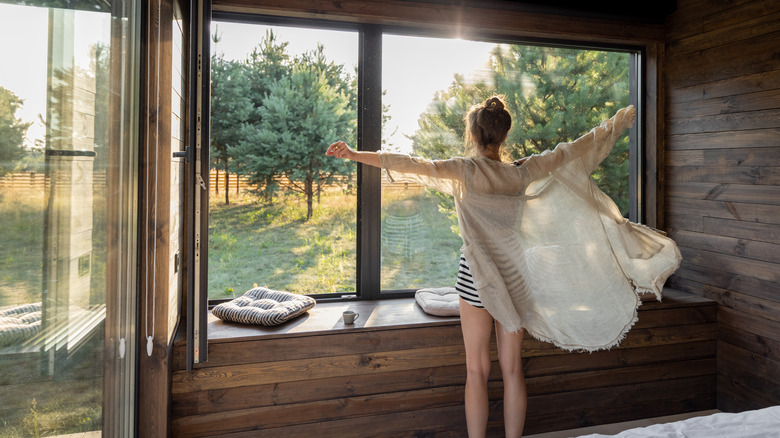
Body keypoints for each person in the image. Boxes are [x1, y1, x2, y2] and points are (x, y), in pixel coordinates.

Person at [326, 97, 680, 437]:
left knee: (476, 370)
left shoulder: (464, 170)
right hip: (516, 277)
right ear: (504, 135)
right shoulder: (521, 172)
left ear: (474, 135)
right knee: (513, 371)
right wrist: (616, 122)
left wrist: (355, 154)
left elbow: (411, 163)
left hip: (476, 279)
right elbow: (573, 149)